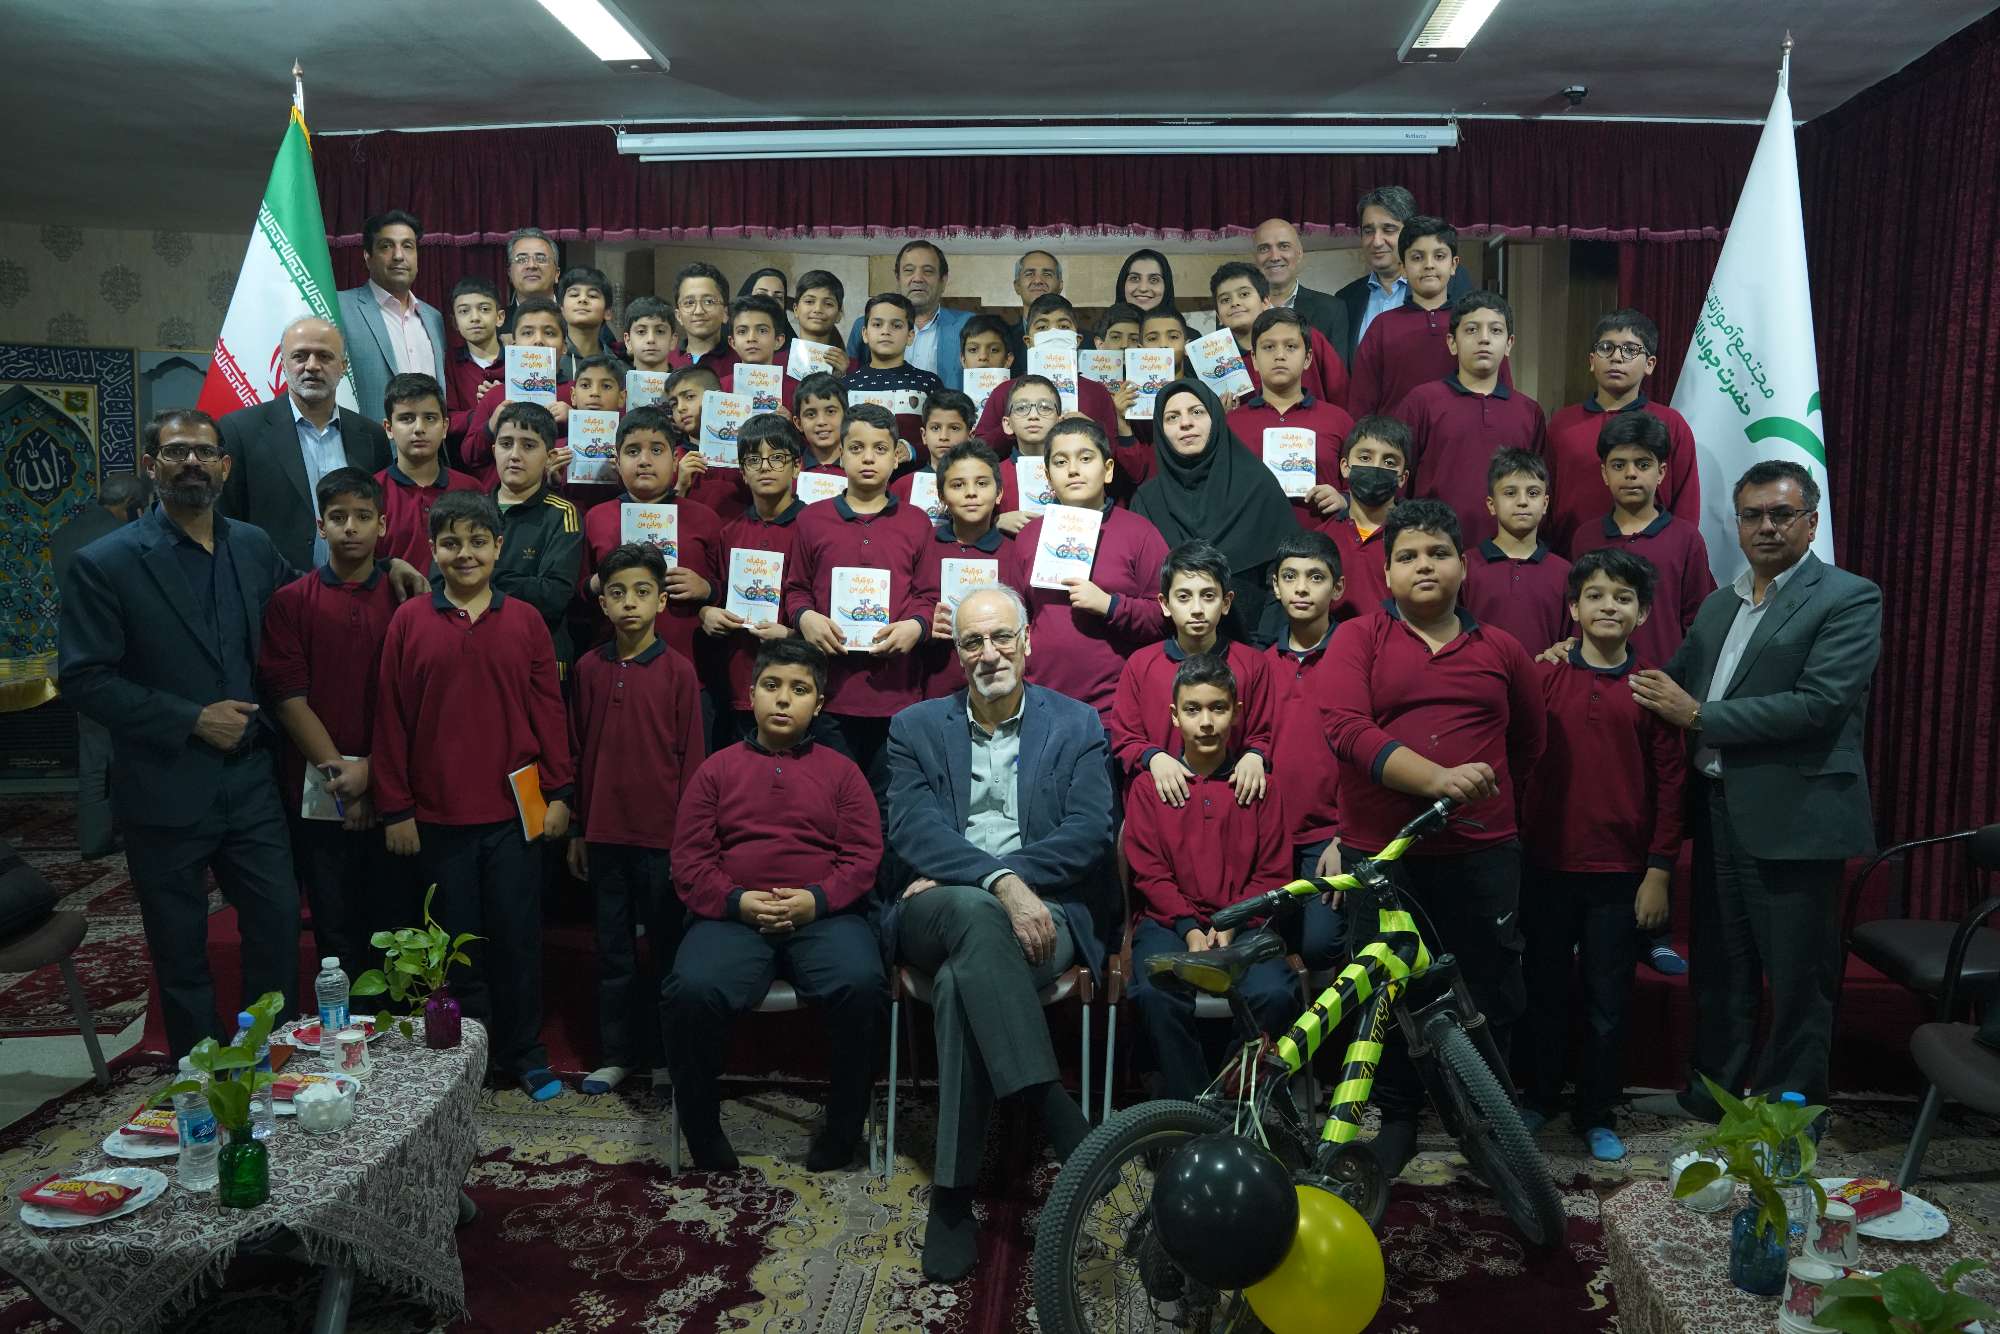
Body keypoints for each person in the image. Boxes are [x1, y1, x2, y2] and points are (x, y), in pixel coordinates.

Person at [1626, 460, 1881, 1116]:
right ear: (1736, 525)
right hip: (1718, 811)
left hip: (1797, 818)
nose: (1767, 526)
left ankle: (1788, 1115)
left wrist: (1700, 716)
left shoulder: (1848, 597)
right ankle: (1709, 1096)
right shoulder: (1721, 603)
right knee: (1720, 968)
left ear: (1811, 523)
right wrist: (1582, 666)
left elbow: (1818, 705)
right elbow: (1667, 681)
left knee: (1798, 981)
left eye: (1782, 514)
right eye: (1753, 515)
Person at [884, 583, 1113, 1281]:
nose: (989, 653)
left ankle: (952, 1199)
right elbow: (912, 829)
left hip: (1046, 910)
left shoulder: (1077, 724)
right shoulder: (914, 727)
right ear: (956, 653)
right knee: (974, 912)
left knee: (961, 982)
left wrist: (1005, 881)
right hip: (937, 908)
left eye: (1002, 637)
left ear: (1027, 642)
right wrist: (997, 884)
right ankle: (1048, 1102)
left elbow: (1089, 833)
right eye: (973, 642)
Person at [58, 409, 303, 1058]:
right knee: (180, 945)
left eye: (204, 451)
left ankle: (270, 1057)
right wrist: (190, 718)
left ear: (225, 464)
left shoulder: (253, 545)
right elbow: (84, 679)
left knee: (277, 921)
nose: (192, 462)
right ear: (151, 466)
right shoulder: (106, 563)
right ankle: (202, 1072)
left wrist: (386, 576)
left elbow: (306, 606)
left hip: (251, 781)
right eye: (175, 453)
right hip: (164, 785)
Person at [1315, 498, 1545, 1179]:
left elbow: (1528, 745)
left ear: (1463, 567)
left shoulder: (1501, 649)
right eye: (1408, 556)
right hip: (1386, 857)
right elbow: (1346, 731)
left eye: (1439, 553)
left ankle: (1490, 1121)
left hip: (1483, 851)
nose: (1424, 565)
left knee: (1491, 988)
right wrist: (1438, 780)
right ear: (1386, 573)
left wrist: (1476, 798)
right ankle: (1399, 1117)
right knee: (1385, 993)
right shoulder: (1357, 639)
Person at [372, 489, 573, 1099]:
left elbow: (549, 711)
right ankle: (468, 1058)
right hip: (437, 818)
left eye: (478, 542)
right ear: (432, 550)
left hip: (516, 814)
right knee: (456, 947)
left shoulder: (526, 621)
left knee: (517, 938)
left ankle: (525, 1053)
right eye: (451, 543)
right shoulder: (409, 622)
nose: (465, 554)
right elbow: (390, 719)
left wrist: (560, 792)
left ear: (498, 547)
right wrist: (396, 807)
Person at [667, 638, 887, 1170]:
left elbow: (863, 857)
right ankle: (702, 1135)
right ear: (751, 695)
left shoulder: (842, 772)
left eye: (799, 689)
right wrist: (737, 902)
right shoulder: (716, 770)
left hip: (824, 916)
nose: (784, 699)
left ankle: (843, 1131)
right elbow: (690, 862)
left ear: (819, 704)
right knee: (690, 990)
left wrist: (818, 899)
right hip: (733, 917)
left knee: (862, 985)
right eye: (772, 686)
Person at [1518, 549, 1685, 1161]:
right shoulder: (1543, 678)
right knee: (1541, 990)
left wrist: (1658, 870)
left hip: (1619, 874)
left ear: (1642, 614)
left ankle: (1597, 1111)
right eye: (1595, 595)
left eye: (1622, 597)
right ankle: (1539, 1096)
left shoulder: (1652, 690)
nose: (1608, 605)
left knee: (1607, 1000)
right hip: (1544, 866)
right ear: (1573, 608)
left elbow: (1672, 785)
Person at [1123, 653, 1296, 1099]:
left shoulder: (1261, 787)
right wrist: (1188, 927)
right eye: (1193, 709)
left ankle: (1222, 1101)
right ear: (1174, 715)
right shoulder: (1148, 788)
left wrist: (1230, 923)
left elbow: (1273, 873)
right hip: (1168, 923)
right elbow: (1150, 873)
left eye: (1217, 708)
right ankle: (1190, 1108)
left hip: (1245, 924)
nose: (1205, 722)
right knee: (1154, 993)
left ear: (1236, 713)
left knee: (1276, 993)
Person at [568, 542, 705, 1096]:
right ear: (602, 602)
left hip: (663, 841)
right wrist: (578, 830)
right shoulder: (587, 669)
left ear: (660, 602)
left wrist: (689, 845)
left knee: (669, 952)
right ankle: (618, 1055)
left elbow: (692, 763)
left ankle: (670, 1059)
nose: (629, 603)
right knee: (614, 953)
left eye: (642, 592)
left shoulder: (679, 672)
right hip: (604, 835)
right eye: (618, 593)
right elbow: (577, 752)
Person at [258, 466, 400, 970]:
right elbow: (288, 700)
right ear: (321, 526)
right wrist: (345, 777)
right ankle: (344, 1022)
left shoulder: (408, 600)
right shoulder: (291, 602)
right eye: (338, 517)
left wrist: (374, 773)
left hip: (395, 784)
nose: (351, 527)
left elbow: (418, 702)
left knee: (397, 925)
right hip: (319, 787)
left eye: (363, 516)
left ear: (382, 524)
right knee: (335, 927)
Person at [781, 402, 935, 796]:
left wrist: (916, 627)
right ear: (841, 452)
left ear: (896, 455)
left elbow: (928, 595)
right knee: (832, 798)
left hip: (897, 694)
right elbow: (795, 589)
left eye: (880, 449)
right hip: (830, 692)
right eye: (856, 448)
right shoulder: (811, 520)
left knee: (890, 804)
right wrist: (805, 618)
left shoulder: (917, 522)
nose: (868, 458)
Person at [1000, 417, 1169, 718]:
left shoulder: (1139, 532)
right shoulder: (1028, 537)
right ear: (1048, 476)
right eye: (1060, 462)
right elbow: (1014, 614)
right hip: (1041, 702)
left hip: (1115, 708)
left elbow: (1165, 616)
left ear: (1108, 469)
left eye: (1086, 458)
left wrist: (1110, 605)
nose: (1073, 470)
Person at [218, 315, 392, 571]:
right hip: (270, 586)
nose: (312, 366)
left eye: (324, 356)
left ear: (343, 366)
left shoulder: (371, 435)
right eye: (300, 356)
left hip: (358, 585)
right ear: (283, 364)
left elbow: (381, 516)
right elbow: (226, 522)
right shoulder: (240, 430)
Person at [1132, 380, 1298, 643]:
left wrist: (1263, 644)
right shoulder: (1147, 501)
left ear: (1216, 418)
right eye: (1172, 417)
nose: (1186, 423)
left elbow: (1285, 576)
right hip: (1172, 648)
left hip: (1254, 643)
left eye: (1197, 412)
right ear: (1160, 430)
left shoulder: (1257, 486)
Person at [1108, 540, 1274, 802]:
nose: (1197, 609)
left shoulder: (1253, 664)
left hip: (1231, 802)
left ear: (1226, 602)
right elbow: (1125, 737)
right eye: (1184, 597)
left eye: (1208, 596)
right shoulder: (1140, 664)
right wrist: (1154, 757)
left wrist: (1255, 756)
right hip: (1159, 802)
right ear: (1165, 604)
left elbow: (1264, 732)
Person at [1399, 290, 1547, 550]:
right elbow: (1401, 480)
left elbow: (1539, 488)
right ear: (1452, 342)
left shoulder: (1528, 411)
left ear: (1509, 343)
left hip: (1508, 552)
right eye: (1471, 330)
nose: (1484, 339)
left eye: (1496, 330)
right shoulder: (1422, 401)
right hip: (1434, 547)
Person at [1544, 310, 1701, 555]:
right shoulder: (1562, 424)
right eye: (1606, 348)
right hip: (1574, 555)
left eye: (1630, 350)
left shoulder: (1671, 423)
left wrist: (1678, 553)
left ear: (1650, 364)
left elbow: (1686, 504)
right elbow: (1545, 496)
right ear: (1592, 360)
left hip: (1652, 557)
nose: (1616, 357)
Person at [50, 473, 148, 858]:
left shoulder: (63, 535)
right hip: (121, 660)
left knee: (93, 755)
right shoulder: (125, 539)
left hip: (77, 655)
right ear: (133, 507)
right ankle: (132, 829)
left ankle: (94, 836)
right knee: (132, 751)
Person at [579, 406, 723, 669]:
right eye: (633, 451)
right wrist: (599, 582)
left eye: (656, 450)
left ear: (675, 460)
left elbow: (724, 590)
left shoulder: (705, 519)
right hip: (612, 663)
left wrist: (706, 589)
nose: (644, 460)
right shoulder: (596, 518)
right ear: (617, 462)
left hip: (689, 663)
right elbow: (577, 592)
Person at [1569, 412, 1714, 671]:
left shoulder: (1686, 539)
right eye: (1618, 465)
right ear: (1604, 473)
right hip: (1594, 678)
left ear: (1661, 472)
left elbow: (1699, 624)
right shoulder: (1586, 537)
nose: (1631, 474)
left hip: (1662, 680)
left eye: (1643, 464)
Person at [701, 415, 807, 746]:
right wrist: (707, 614)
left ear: (797, 466)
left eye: (777, 458)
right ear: (743, 471)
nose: (765, 467)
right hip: (740, 680)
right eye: (754, 460)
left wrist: (793, 635)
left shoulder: (815, 527)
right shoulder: (729, 532)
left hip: (798, 680)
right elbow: (715, 593)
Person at [1265, 530, 1348, 894]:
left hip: (1332, 836)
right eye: (1289, 577)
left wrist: (1345, 837)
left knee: (1322, 929)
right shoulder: (1261, 665)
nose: (1301, 588)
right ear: (1276, 586)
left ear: (1337, 588)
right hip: (1269, 834)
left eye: (1315, 577)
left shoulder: (1355, 657)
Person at [1227, 308, 1357, 529]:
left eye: (1291, 346)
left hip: (1324, 541)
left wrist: (1344, 499)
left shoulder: (1339, 420)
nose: (1280, 355)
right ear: (1255, 359)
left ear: (1307, 358)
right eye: (1269, 347)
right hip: (1252, 542)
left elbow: (1360, 488)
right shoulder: (1231, 424)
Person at [487, 401, 584, 673]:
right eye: (506, 444)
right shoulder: (471, 511)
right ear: (494, 450)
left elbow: (553, 597)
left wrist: (482, 578)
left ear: (550, 457)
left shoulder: (562, 514)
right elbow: (441, 580)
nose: (514, 455)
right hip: (480, 653)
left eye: (528, 446)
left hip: (539, 659)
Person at [1329, 186, 1474, 368]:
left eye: (1388, 229)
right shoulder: (1347, 298)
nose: (1377, 241)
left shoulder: (1450, 282)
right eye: (1368, 231)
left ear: (1409, 233)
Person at [1346, 216, 1473, 421]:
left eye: (1439, 256)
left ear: (1453, 265)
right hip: (1395, 439)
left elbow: (1499, 395)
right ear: (1403, 267)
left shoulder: (1473, 325)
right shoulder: (1382, 327)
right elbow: (1361, 404)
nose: (1429, 265)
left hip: (1460, 435)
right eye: (1417, 257)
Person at [913, 439, 1008, 697]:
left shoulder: (1015, 552)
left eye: (982, 483)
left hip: (998, 690)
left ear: (999, 493)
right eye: (958, 485)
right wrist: (924, 622)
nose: (971, 493)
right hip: (933, 688)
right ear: (941, 496)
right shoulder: (923, 546)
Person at [970, 296, 1124, 453]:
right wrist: (1013, 425)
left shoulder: (1097, 392)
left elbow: (1113, 451)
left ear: (1077, 340)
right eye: (1042, 327)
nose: (1053, 334)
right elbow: (979, 449)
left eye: (1063, 327)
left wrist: (1091, 430)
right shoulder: (1005, 391)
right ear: (1028, 341)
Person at [337, 210, 447, 428]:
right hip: (368, 443)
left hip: (431, 445)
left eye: (407, 246)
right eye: (386, 246)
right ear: (367, 257)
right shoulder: (340, 307)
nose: (398, 256)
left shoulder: (433, 318)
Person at [1461, 449, 1572, 655]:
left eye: (1533, 493)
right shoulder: (1465, 565)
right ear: (1491, 505)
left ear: (1545, 504)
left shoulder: (1564, 572)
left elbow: (1570, 641)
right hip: (1479, 673)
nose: (1522, 501)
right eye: (1510, 493)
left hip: (1544, 674)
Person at [376, 373, 482, 571]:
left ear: (445, 427)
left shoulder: (471, 489)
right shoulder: (372, 493)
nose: (419, 428)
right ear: (389, 428)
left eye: (430, 418)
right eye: (406, 418)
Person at [462, 297, 570, 487]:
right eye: (527, 333)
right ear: (513, 345)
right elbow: (469, 455)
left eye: (549, 333)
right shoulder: (496, 395)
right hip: (500, 496)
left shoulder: (576, 393)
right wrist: (491, 425)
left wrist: (574, 419)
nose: (538, 341)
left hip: (559, 496)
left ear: (564, 347)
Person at [1210, 261, 1348, 407]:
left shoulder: (1305, 337)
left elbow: (1340, 391)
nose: (1235, 303)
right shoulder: (1215, 360)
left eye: (1244, 294)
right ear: (1219, 316)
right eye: (1225, 300)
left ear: (1265, 302)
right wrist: (1222, 415)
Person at [843, 241, 973, 390]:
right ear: (898, 278)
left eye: (928, 271)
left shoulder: (968, 325)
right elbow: (851, 376)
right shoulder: (863, 325)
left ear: (943, 281)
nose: (917, 278)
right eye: (909, 270)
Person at [1322, 415, 1407, 622]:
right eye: (1365, 458)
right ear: (1344, 467)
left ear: (1403, 478)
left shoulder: (1417, 538)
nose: (1376, 467)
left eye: (1389, 461)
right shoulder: (1322, 538)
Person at [844, 292, 947, 442]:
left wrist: (911, 451)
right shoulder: (846, 385)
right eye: (877, 324)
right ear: (865, 334)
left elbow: (940, 438)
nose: (886, 331)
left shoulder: (928, 383)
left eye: (896, 325)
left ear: (910, 336)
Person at [1250, 217, 1350, 352]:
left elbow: (1337, 366)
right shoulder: (1238, 311)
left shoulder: (1331, 310)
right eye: (1264, 249)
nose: (1274, 257)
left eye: (1284, 246)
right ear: (1255, 258)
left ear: (1299, 253)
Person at [444, 277, 504, 462]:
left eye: (484, 309)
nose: (475, 317)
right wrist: (485, 410)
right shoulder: (448, 362)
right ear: (455, 323)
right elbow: (446, 420)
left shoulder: (518, 359)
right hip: (466, 464)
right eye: (464, 311)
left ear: (500, 317)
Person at [721, 294, 796, 412]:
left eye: (762, 330)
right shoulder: (721, 389)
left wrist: (790, 421)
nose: (751, 338)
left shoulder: (796, 391)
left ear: (778, 341)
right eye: (742, 331)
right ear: (732, 342)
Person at [558, 266, 628, 383]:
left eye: (592, 296)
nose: (582, 299)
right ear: (562, 310)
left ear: (608, 312)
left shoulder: (620, 369)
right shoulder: (550, 362)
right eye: (574, 294)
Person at [671, 261, 735, 373]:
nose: (698, 311)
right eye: (689, 302)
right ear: (678, 315)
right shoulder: (665, 362)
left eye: (709, 301)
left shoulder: (741, 363)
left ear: (725, 313)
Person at [500, 226, 560, 337]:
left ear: (557, 273)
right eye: (521, 259)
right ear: (510, 273)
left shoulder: (574, 319)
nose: (532, 265)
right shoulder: (496, 326)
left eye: (541, 259)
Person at [789, 270, 849, 375]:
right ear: (796, 309)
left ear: (839, 314)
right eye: (809, 301)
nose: (818, 309)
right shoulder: (775, 363)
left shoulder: (853, 367)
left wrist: (844, 376)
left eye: (828, 304)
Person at [623, 295, 679, 377]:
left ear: (673, 341)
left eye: (660, 331)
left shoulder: (684, 384)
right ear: (628, 341)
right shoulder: (616, 383)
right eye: (641, 331)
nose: (651, 339)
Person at [1012, 249, 1064, 337]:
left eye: (1047, 274)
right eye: (1029, 274)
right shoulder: (1001, 338)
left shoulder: (1087, 340)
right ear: (1017, 286)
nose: (1038, 281)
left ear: (1060, 286)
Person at [1114, 248, 1177, 314]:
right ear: (1122, 284)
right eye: (1134, 278)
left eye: (1154, 280)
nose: (1143, 288)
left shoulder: (1180, 321)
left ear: (1166, 286)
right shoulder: (1107, 320)